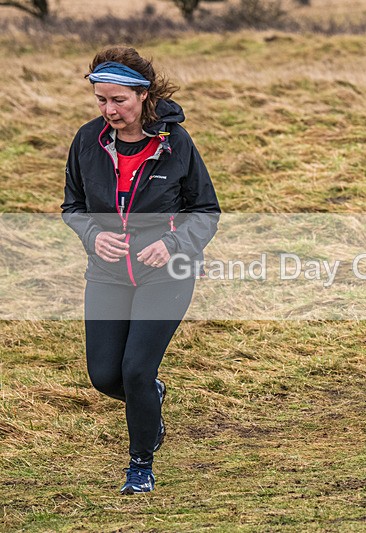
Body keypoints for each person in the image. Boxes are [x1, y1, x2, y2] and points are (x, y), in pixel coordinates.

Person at [62, 47, 220, 494]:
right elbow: (72, 207)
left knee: (134, 371)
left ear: (143, 95)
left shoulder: (176, 144)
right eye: (100, 100)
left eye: (119, 100)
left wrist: (171, 243)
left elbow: (206, 211)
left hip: (166, 273)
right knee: (104, 376)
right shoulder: (86, 141)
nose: (109, 110)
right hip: (108, 272)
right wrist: (93, 236)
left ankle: (140, 463)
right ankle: (153, 396)